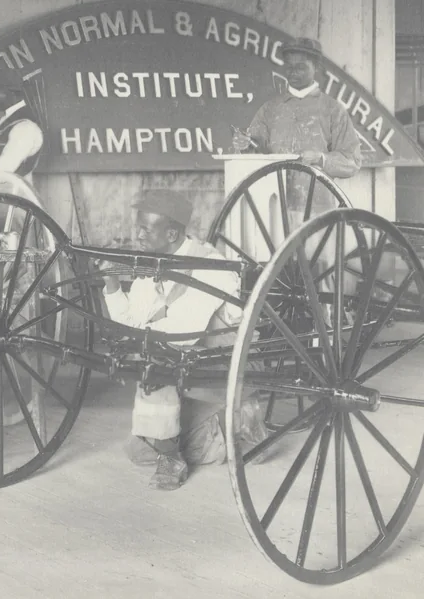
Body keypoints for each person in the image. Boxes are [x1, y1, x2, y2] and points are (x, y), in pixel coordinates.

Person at [101, 190, 267, 491]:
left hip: (229, 367)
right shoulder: (154, 264)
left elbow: (180, 333)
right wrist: (112, 286)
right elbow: (130, 327)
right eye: (138, 227)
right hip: (191, 366)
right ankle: (227, 425)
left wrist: (140, 342)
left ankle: (228, 425)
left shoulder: (211, 267)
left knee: (158, 360)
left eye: (145, 230)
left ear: (172, 233)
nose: (137, 235)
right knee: (140, 451)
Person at [232, 36, 362, 182]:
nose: (293, 72)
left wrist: (322, 159)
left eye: (301, 67)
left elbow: (353, 162)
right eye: (288, 66)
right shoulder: (269, 110)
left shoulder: (334, 110)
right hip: (276, 200)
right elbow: (255, 155)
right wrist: (244, 145)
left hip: (318, 201)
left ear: (316, 67)